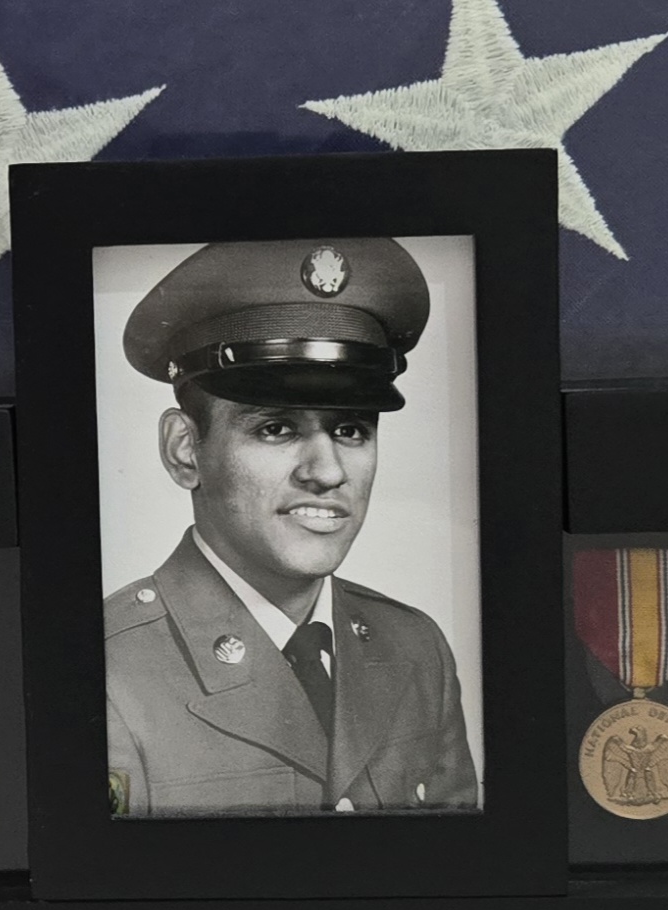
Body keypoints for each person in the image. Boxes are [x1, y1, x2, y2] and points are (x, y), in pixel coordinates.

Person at [104, 238, 478, 816]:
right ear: (185, 451)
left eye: (351, 430)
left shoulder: (415, 648)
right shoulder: (108, 673)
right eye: (276, 429)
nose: (327, 472)